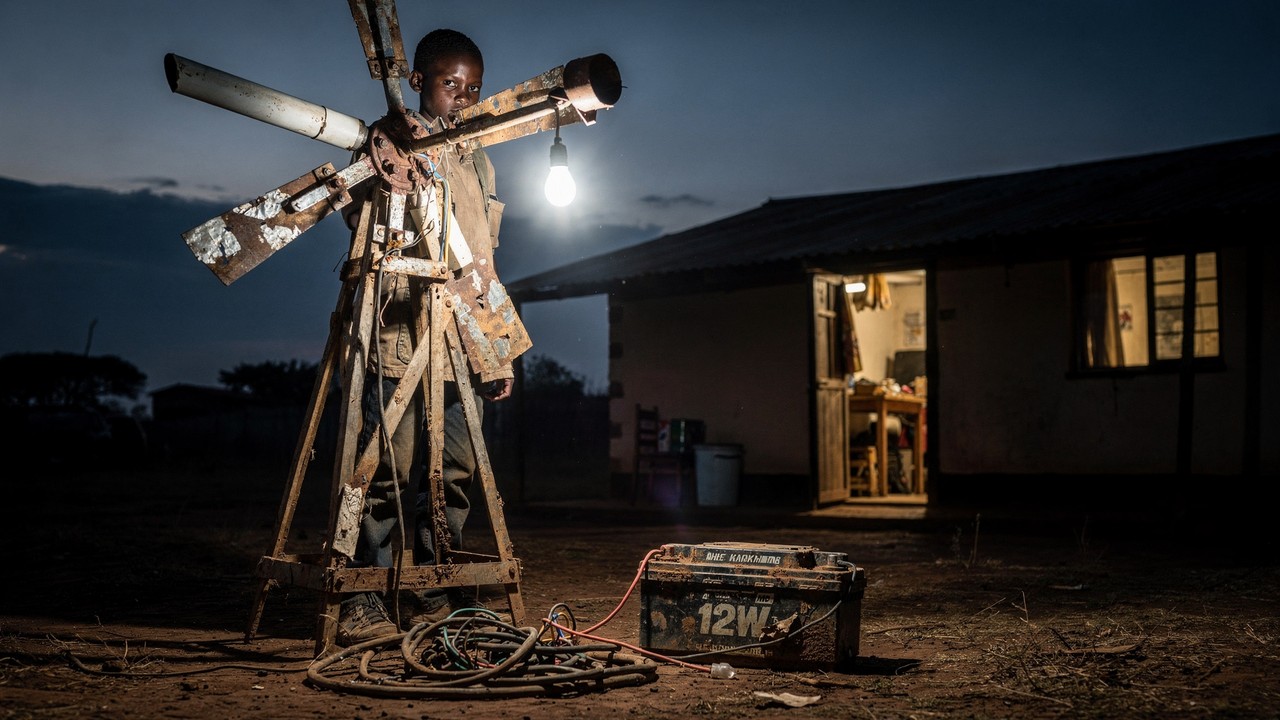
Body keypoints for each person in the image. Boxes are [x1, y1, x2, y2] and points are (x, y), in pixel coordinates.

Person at [337, 28, 514, 646]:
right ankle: (365, 594)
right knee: (382, 468)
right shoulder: (387, 142)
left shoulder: (480, 158)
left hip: (460, 346)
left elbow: (483, 259)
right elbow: (356, 219)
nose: (460, 99)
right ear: (418, 83)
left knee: (455, 472)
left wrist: (495, 347)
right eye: (449, 85)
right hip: (397, 339)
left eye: (471, 90)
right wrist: (389, 176)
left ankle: (433, 591)